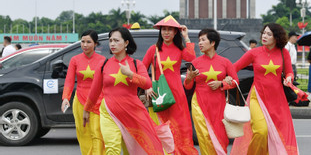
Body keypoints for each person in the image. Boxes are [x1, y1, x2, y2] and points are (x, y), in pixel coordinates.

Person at [83, 27, 174, 154]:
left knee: (132, 150)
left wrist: (131, 74)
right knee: (112, 148)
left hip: (132, 112)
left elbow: (148, 84)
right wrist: (87, 109)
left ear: (126, 43)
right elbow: (95, 90)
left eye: (116, 40)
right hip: (108, 111)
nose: (112, 44)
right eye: (110, 41)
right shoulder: (104, 65)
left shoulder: (136, 64)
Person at [230, 23, 298, 155]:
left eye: (269, 34)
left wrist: (289, 78)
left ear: (276, 38)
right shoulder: (254, 53)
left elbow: (289, 72)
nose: (264, 36)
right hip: (258, 97)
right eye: (264, 33)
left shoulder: (283, 53)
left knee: (275, 135)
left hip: (277, 100)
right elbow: (235, 67)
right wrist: (225, 75)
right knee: (261, 131)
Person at [142, 15, 198, 154]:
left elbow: (192, 59)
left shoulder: (179, 49)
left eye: (170, 30)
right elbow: (142, 69)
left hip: (177, 95)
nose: (166, 32)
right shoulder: (153, 50)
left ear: (175, 33)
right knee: (162, 128)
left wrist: (186, 37)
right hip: (159, 95)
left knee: (181, 127)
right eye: (164, 29)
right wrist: (147, 87)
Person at [184, 29, 238, 154]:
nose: (200, 43)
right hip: (199, 104)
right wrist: (190, 78)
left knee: (221, 137)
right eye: (199, 41)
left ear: (213, 42)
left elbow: (235, 82)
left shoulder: (225, 62)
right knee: (205, 137)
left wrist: (222, 84)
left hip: (219, 105)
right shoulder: (195, 63)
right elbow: (187, 86)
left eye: (203, 40)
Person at [61, 30, 106, 155]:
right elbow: (69, 81)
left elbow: (106, 83)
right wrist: (65, 98)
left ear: (96, 44)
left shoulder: (103, 60)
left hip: (98, 101)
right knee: (83, 133)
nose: (85, 45)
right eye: (83, 42)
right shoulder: (75, 60)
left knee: (97, 132)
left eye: (88, 42)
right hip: (80, 101)